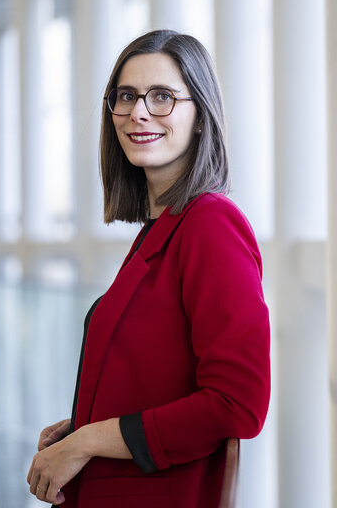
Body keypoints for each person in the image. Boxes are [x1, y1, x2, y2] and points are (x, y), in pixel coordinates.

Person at [26, 30, 271, 508]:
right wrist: (83, 425)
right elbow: (162, 378)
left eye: (162, 96)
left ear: (200, 116)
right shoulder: (163, 230)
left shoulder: (211, 225)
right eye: (126, 96)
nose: (139, 112)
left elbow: (237, 404)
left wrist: (88, 441)